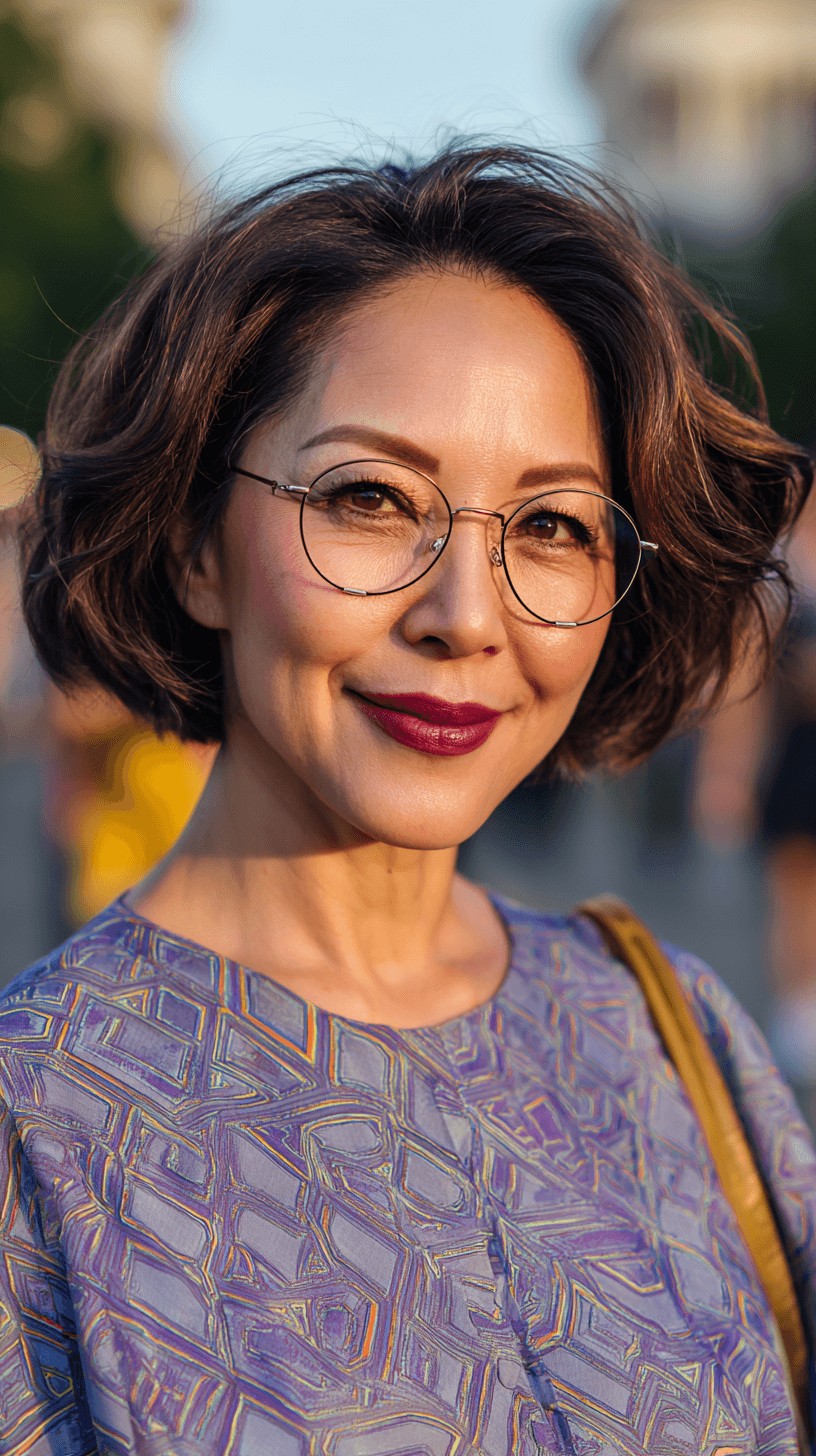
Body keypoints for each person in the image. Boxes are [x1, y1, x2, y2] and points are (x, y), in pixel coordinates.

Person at [0, 144, 813, 1456]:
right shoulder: (35, 1125)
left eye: (552, 525)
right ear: (201, 544)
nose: (465, 616)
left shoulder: (670, 1035)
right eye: (370, 499)